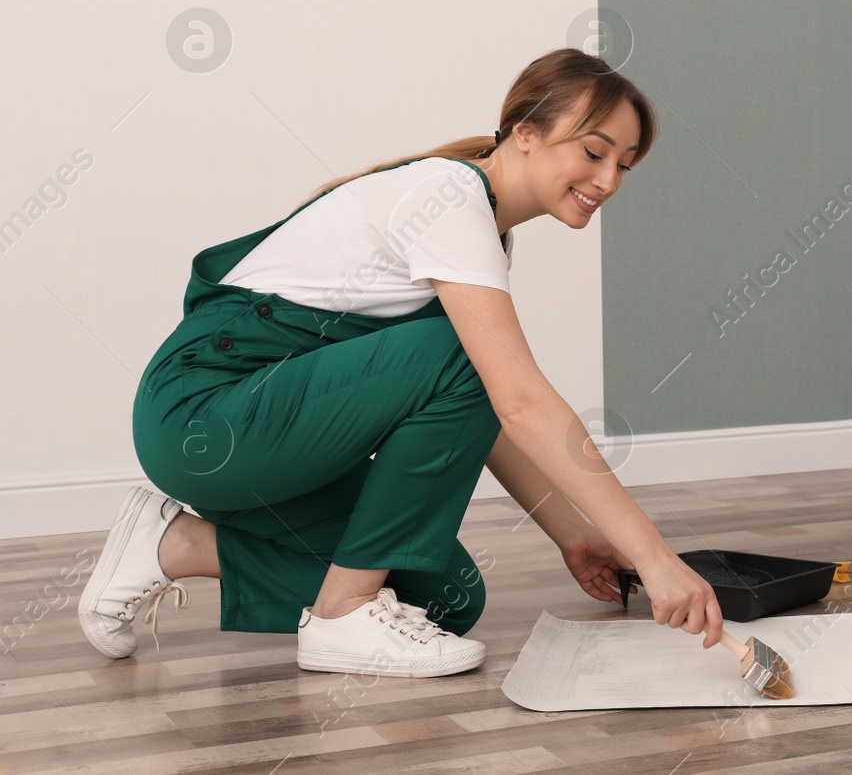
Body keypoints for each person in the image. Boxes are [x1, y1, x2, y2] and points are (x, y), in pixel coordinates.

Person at [79, 48, 723, 676]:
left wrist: (573, 535)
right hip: (205, 418)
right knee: (470, 360)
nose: (609, 180)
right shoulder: (446, 198)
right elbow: (517, 400)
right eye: (594, 151)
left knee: (447, 598)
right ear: (527, 133)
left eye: (625, 165)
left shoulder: (483, 233)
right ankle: (343, 613)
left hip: (268, 438)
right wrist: (658, 559)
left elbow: (476, 412)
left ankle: (173, 546)